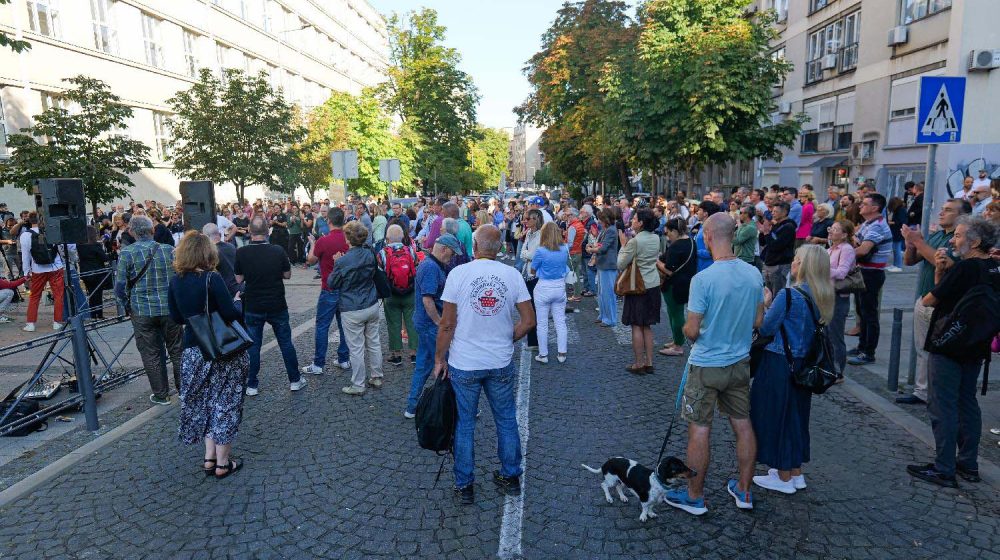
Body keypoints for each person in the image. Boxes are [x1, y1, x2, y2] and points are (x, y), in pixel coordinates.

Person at [665, 213, 764, 516]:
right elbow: (758, 321)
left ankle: (695, 496)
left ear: (707, 237)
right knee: (743, 426)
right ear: (733, 236)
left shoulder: (703, 280)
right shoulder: (753, 274)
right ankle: (744, 491)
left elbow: (692, 330)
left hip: (707, 364)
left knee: (700, 429)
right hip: (739, 363)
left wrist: (685, 330)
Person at [431, 225, 535, 505]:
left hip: (465, 363)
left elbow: (447, 324)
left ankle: (465, 485)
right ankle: (510, 476)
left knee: (464, 424)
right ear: (499, 248)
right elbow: (529, 322)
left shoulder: (458, 274)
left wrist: (439, 358)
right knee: (505, 419)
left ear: (474, 247)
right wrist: (506, 338)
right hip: (499, 360)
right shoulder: (512, 275)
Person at [907, 215, 998, 488]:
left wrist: (940, 274)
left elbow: (930, 298)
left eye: (958, 235)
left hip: (948, 342)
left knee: (942, 404)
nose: (953, 240)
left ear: (976, 241)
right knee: (966, 402)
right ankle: (968, 463)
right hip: (976, 344)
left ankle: (944, 467)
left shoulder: (965, 268)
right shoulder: (993, 268)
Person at [751, 245, 833, 494]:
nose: (793, 264)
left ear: (804, 266)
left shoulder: (789, 295)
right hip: (802, 365)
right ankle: (795, 473)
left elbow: (765, 329)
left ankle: (783, 476)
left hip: (779, 362)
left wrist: (764, 304)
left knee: (777, 417)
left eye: (797, 260)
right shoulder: (822, 295)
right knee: (796, 417)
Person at [168, 232, 249, 480]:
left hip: (193, 350)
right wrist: (237, 301)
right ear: (208, 253)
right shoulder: (212, 279)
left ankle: (209, 458)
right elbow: (229, 314)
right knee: (224, 403)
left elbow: (177, 318)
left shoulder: (175, 281)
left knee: (205, 404)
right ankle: (223, 464)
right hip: (221, 350)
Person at [896, 199, 971, 405]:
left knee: (938, 351)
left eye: (948, 210)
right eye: (942, 208)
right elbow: (910, 261)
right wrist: (911, 244)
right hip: (925, 298)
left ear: (962, 216)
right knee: (922, 348)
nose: (941, 213)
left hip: (945, 303)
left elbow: (949, 267)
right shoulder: (938, 234)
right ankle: (923, 391)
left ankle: (935, 392)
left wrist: (919, 241)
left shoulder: (961, 239)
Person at [114, 216, 183, 405]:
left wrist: (127, 306)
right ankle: (184, 390)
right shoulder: (169, 250)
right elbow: (180, 278)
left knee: (150, 353)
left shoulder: (127, 253)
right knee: (177, 350)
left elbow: (120, 287)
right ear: (152, 230)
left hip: (142, 310)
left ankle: (161, 394)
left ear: (131, 232)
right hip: (169, 309)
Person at [235, 215, 305, 395]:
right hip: (276, 304)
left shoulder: (242, 252)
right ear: (267, 231)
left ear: (250, 231)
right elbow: (288, 275)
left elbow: (239, 279)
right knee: (285, 343)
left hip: (253, 304)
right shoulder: (277, 250)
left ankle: (251, 385)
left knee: (253, 346)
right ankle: (295, 380)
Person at [404, 233, 460, 418]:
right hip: (430, 325)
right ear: (444, 249)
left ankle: (412, 406)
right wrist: (440, 322)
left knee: (423, 365)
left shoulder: (432, 264)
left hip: (425, 324)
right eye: (451, 254)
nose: (451, 258)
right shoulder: (430, 267)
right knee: (447, 363)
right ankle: (456, 405)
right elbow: (428, 299)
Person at [329, 221, 384, 395]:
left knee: (356, 348)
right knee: (374, 342)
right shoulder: (370, 253)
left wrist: (336, 262)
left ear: (348, 238)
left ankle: (358, 385)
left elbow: (332, 283)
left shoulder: (343, 261)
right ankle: (376, 376)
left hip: (352, 307)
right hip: (371, 303)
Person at [302, 207, 352, 375]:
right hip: (346, 290)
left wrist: (313, 243)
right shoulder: (349, 239)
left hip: (329, 289)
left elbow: (310, 260)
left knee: (322, 326)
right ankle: (344, 359)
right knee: (344, 326)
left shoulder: (324, 241)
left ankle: (318, 363)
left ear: (329, 221)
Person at [847, 193, 892, 366]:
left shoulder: (878, 226)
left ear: (875, 208)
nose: (860, 206)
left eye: (864, 204)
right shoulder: (868, 223)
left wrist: (843, 254)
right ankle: (861, 346)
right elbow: (855, 240)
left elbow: (863, 250)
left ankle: (868, 352)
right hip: (864, 271)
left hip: (872, 274)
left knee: (869, 313)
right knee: (862, 311)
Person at [617, 209, 662, 374]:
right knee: (647, 326)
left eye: (634, 218)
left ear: (641, 222)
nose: (631, 221)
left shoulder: (635, 241)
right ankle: (649, 362)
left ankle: (639, 363)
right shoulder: (656, 238)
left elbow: (621, 264)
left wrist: (623, 246)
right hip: (653, 284)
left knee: (636, 325)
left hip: (638, 286)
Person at [378, 225, 419, 367]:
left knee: (393, 323)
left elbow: (380, 272)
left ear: (387, 238)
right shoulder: (410, 250)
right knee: (412, 322)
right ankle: (414, 353)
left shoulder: (383, 252)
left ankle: (396, 355)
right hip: (410, 293)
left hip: (391, 293)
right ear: (403, 237)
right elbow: (416, 266)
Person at [19, 212, 67, 332]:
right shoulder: (51, 231)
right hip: (55, 267)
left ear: (29, 220)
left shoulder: (25, 235)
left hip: (37, 269)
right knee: (58, 295)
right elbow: (60, 249)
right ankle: (57, 322)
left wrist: (26, 272)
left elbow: (25, 257)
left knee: (35, 296)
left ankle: (31, 323)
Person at [657, 218, 697, 357]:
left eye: (668, 233)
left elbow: (668, 270)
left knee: (676, 314)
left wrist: (656, 261)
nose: (667, 236)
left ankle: (678, 346)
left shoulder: (676, 246)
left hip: (674, 284)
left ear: (675, 231)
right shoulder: (691, 241)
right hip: (686, 282)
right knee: (674, 312)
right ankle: (676, 340)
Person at [531, 222, 569, 364]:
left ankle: (543, 354)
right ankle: (562, 353)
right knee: (560, 321)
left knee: (542, 323)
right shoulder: (565, 249)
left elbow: (533, 269)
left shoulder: (541, 250)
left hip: (544, 287)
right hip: (559, 286)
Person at [827, 220, 856, 375]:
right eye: (831, 228)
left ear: (844, 234)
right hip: (827, 294)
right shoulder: (832, 248)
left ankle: (838, 371)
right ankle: (828, 366)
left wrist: (822, 267)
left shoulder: (846, 249)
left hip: (838, 296)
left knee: (835, 335)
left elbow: (841, 273)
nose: (831, 231)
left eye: (835, 229)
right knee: (826, 333)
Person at [759, 201, 796, 299]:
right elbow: (763, 243)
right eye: (773, 211)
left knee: (777, 295)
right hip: (769, 263)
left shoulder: (788, 227)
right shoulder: (776, 225)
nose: (773, 213)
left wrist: (767, 233)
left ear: (784, 213)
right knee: (767, 294)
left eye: (776, 211)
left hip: (779, 264)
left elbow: (775, 246)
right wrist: (763, 232)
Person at [589, 208, 619, 328]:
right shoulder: (606, 230)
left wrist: (591, 249)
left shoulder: (611, 230)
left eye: (600, 219)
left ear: (605, 219)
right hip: (603, 265)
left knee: (608, 294)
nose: (598, 221)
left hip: (608, 266)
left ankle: (610, 319)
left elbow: (603, 248)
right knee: (602, 293)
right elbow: (600, 245)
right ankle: (603, 315)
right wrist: (592, 246)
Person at [519, 209, 543, 349]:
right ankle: (533, 340)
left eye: (528, 219)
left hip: (535, 275)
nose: (525, 221)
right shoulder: (529, 233)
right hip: (527, 273)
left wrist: (525, 253)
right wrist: (525, 253)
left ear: (536, 219)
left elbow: (532, 255)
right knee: (530, 308)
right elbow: (523, 253)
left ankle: (536, 341)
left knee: (535, 308)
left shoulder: (540, 235)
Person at [77, 226, 112, 320]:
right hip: (97, 272)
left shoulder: (79, 245)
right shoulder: (95, 245)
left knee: (91, 293)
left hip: (85, 272)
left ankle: (93, 315)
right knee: (98, 294)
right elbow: (104, 258)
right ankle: (99, 314)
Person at [202, 223, 238, 296]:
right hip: (237, 288)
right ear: (219, 234)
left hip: (224, 291)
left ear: (206, 237)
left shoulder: (210, 252)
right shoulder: (231, 247)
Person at [565, 208, 586, 303]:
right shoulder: (580, 225)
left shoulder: (573, 227)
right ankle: (577, 294)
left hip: (572, 253)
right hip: (578, 252)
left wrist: (563, 250)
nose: (567, 217)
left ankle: (564, 294)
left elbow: (569, 243)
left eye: (569, 215)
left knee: (566, 273)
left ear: (573, 215)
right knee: (576, 274)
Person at [886, 196, 908, 272]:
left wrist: (890, 222)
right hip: (896, 231)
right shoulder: (900, 209)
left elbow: (901, 221)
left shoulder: (900, 210)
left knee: (897, 249)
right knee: (896, 249)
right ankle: (895, 264)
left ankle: (898, 265)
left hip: (897, 231)